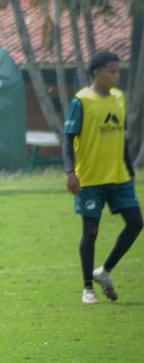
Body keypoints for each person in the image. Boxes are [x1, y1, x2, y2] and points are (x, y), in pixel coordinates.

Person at [63, 51, 142, 305]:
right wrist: (70, 172)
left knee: (136, 223)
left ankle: (104, 271)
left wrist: (129, 170)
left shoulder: (119, 98)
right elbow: (68, 139)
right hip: (90, 179)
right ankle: (88, 288)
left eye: (118, 71)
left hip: (118, 177)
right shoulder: (81, 101)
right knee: (91, 232)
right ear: (96, 72)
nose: (115, 76)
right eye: (111, 71)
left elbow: (121, 139)